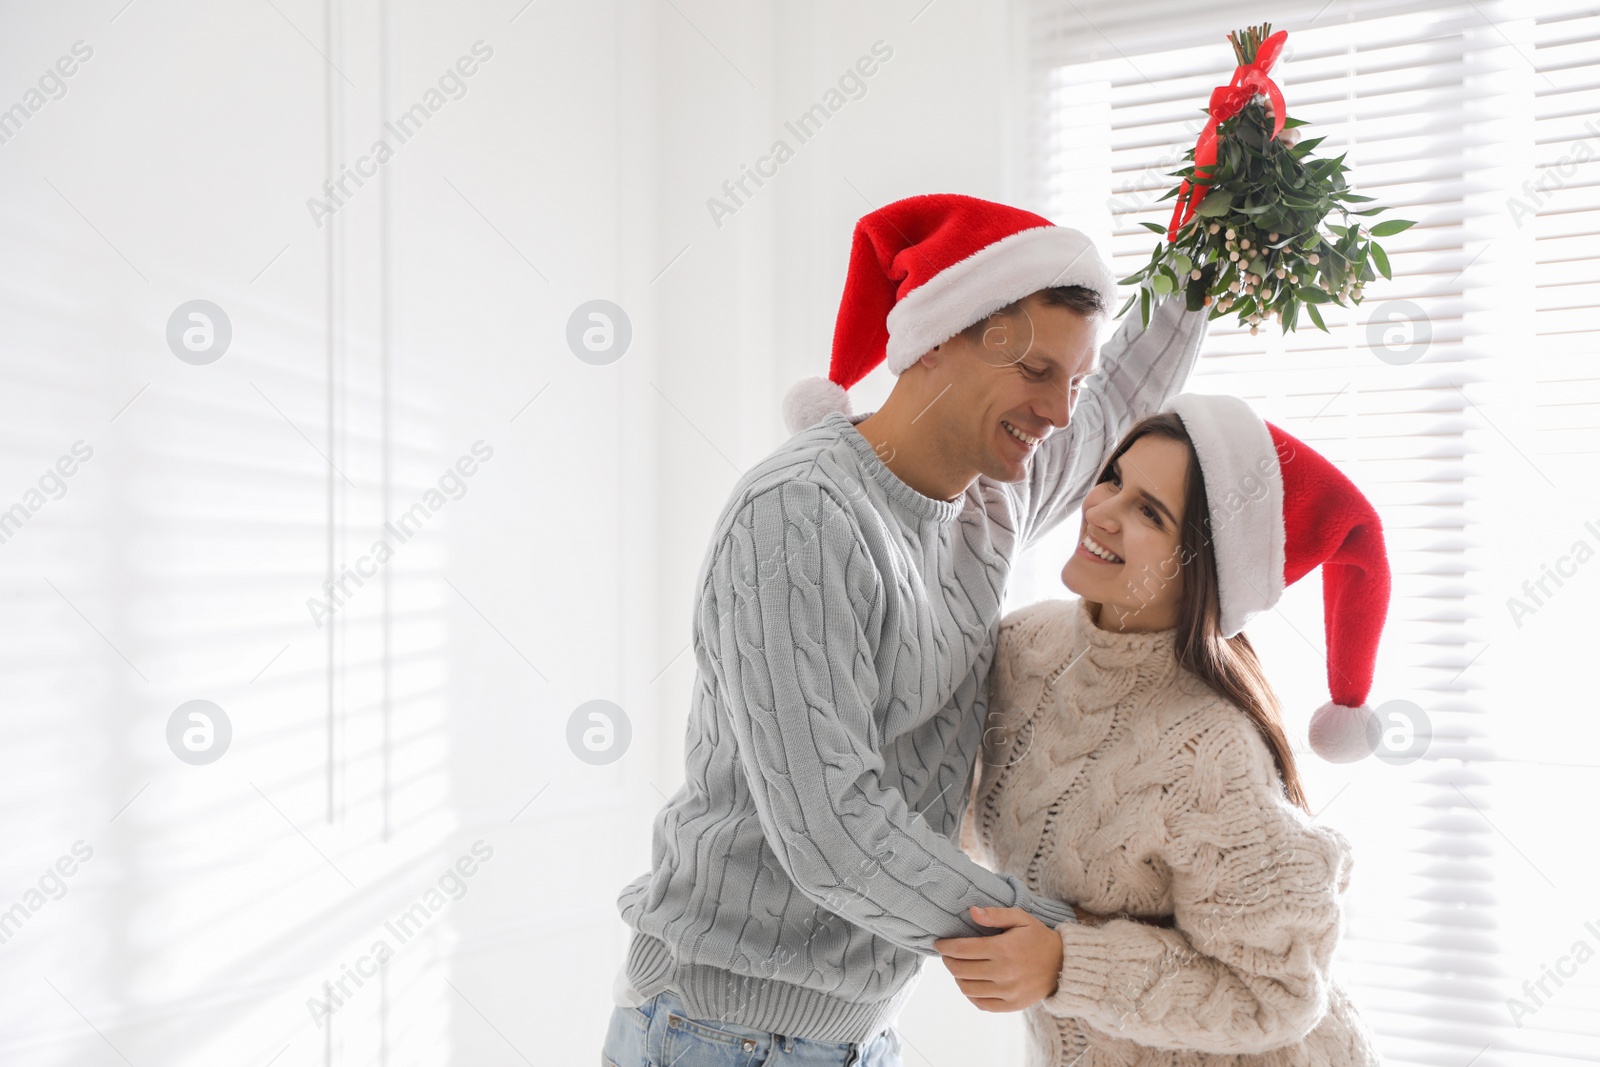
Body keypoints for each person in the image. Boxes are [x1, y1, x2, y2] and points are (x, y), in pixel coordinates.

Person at [600, 192, 1212, 1067]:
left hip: (858, 1033)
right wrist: (1068, 945)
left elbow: (1121, 397)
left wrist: (1221, 223)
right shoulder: (801, 516)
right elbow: (833, 833)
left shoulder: (989, 500)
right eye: (1038, 371)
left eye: (1070, 381)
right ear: (938, 341)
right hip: (720, 1033)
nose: (1061, 411)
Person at [947, 392, 1390, 1065]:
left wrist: (1068, 962)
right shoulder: (1022, 647)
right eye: (1115, 478)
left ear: (1204, 571)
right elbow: (978, 815)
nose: (1102, 511)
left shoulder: (1211, 749)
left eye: (1149, 512)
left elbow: (1277, 995)